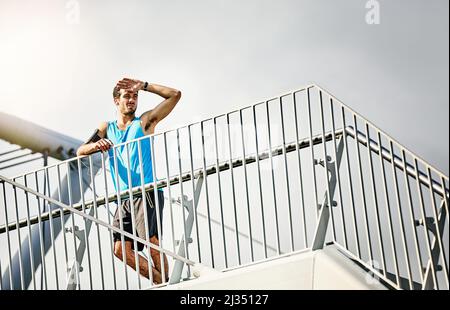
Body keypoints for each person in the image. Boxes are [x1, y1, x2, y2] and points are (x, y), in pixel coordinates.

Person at [76, 78, 181, 284]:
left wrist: (143, 85)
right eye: (127, 96)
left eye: (135, 96)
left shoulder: (144, 122)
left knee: (151, 243)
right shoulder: (107, 127)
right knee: (120, 250)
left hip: (147, 191)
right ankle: (164, 283)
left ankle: (166, 284)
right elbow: (81, 151)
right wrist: (96, 146)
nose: (132, 100)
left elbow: (175, 95)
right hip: (123, 198)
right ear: (117, 101)